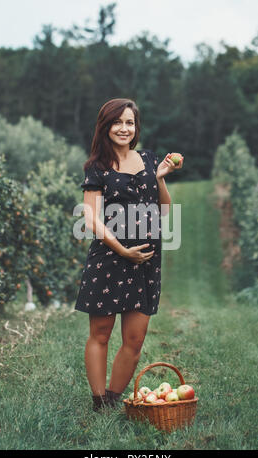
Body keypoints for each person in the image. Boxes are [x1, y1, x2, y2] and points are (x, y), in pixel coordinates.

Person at [75, 98, 183, 411]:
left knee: (135, 339)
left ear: (136, 127)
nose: (124, 128)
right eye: (118, 122)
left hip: (146, 260)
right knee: (101, 333)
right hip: (109, 257)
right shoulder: (97, 168)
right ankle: (98, 403)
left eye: (130, 122)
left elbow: (164, 209)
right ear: (105, 126)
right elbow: (92, 219)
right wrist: (123, 249)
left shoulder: (149, 160)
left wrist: (160, 177)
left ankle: (112, 397)